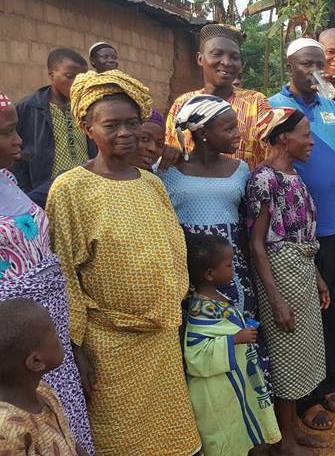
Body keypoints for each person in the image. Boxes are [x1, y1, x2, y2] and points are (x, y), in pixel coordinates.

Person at [46, 70, 201, 455]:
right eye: (111, 125)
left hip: (161, 337)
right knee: (120, 439)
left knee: (170, 437)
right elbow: (65, 273)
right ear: (87, 127)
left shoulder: (150, 183)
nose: (125, 133)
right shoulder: (71, 190)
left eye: (132, 123)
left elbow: (172, 248)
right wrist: (76, 348)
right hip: (108, 343)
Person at [270, 38, 335, 426]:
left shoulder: (331, 105)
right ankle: (306, 398)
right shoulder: (274, 106)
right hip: (293, 231)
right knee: (303, 310)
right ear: (290, 66)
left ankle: (326, 386)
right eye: (306, 64)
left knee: (332, 306)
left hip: (332, 224)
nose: (315, 71)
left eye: (319, 64)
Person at [0, 92, 94, 455]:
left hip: (46, 329)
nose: (18, 140)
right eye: (7, 133)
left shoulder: (7, 180)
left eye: (16, 130)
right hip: (13, 344)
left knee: (58, 422)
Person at [246, 107, 329, 454]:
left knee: (302, 352)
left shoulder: (294, 175)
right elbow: (256, 244)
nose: (311, 141)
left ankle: (293, 430)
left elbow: (305, 236)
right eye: (306, 135)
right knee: (285, 353)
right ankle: (285, 442)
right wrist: (276, 299)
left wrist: (320, 278)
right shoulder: (265, 179)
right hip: (280, 274)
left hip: (303, 270)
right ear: (283, 138)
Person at [183, 233, 280, 455]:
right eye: (228, 264)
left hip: (232, 386)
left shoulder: (217, 297)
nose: (233, 268)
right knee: (224, 438)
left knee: (241, 430)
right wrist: (235, 339)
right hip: (216, 394)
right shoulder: (200, 309)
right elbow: (196, 354)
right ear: (209, 274)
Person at [163, 95, 255, 319]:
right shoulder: (167, 170)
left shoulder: (241, 170)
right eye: (229, 129)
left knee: (237, 333)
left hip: (231, 269)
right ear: (203, 133)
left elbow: (246, 222)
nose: (237, 134)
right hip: (186, 270)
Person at [165, 24, 271, 170]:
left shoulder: (256, 103)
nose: (226, 62)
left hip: (243, 191)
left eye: (234, 57)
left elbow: (271, 155)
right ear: (200, 59)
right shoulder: (183, 104)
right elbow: (171, 152)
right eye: (217, 54)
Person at [0, 298, 83, 456]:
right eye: (54, 333)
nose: (60, 335)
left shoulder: (43, 390)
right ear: (36, 361)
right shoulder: (7, 430)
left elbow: (68, 441)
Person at [11, 48, 91, 207]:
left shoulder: (86, 107)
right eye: (69, 76)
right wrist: (25, 190)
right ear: (51, 74)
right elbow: (15, 154)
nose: (76, 83)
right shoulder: (29, 107)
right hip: (46, 192)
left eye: (82, 78)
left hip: (85, 187)